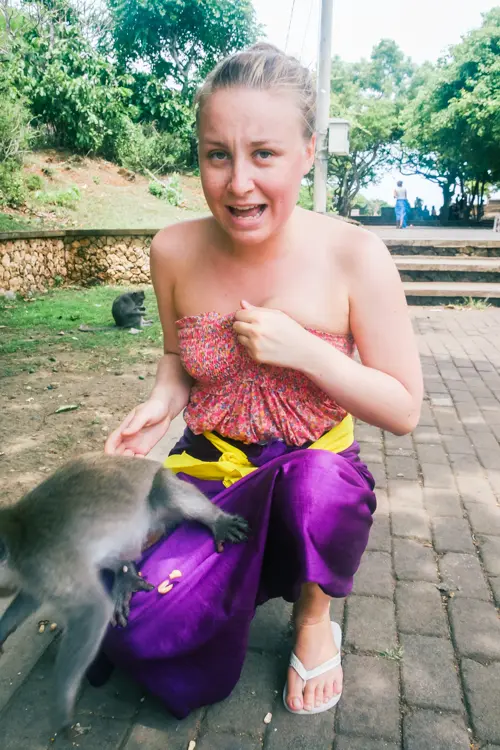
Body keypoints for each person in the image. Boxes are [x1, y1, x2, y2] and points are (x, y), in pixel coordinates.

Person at [100, 43, 423, 719]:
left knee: (316, 489)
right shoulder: (174, 250)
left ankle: (313, 611)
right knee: (131, 626)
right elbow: (175, 360)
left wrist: (309, 352)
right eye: (217, 154)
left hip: (313, 476)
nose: (238, 182)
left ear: (307, 151)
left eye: (264, 154)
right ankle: (226, 590)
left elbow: (403, 408)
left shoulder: (354, 254)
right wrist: (157, 406)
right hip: (210, 476)